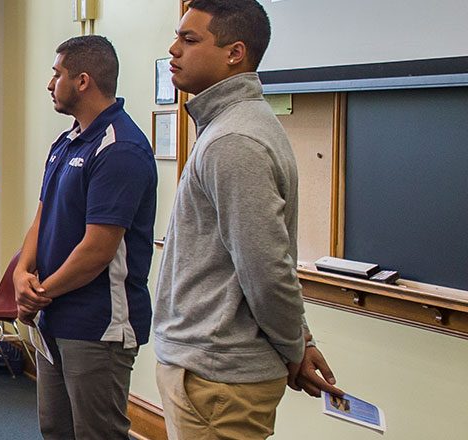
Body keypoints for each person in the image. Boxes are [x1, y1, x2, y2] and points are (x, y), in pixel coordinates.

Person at [155, 1, 342, 438]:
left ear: (234, 53)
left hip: (218, 378)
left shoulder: (235, 140)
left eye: (189, 39)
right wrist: (299, 341)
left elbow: (266, 269)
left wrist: (295, 347)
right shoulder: (230, 126)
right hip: (213, 369)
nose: (173, 49)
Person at [13, 35, 156, 440]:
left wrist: (40, 293)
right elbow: (42, 219)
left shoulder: (120, 148)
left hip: (98, 323)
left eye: (56, 74)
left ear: (82, 81)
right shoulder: (66, 142)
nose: (49, 84)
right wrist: (21, 274)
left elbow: (97, 250)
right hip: (54, 316)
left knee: (97, 433)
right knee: (55, 429)